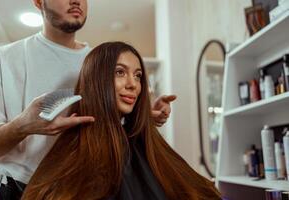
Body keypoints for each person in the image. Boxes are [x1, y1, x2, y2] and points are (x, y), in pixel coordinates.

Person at [0, 0, 176, 199]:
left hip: (83, 190)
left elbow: (116, 127)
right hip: (20, 189)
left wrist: (146, 113)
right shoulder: (4, 59)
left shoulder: (101, 65)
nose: (76, 1)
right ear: (38, 2)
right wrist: (23, 126)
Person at [21, 41, 221, 200]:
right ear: (97, 79)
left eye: (138, 76)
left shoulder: (142, 143)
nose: (132, 84)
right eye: (120, 72)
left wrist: (145, 117)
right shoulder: (75, 147)